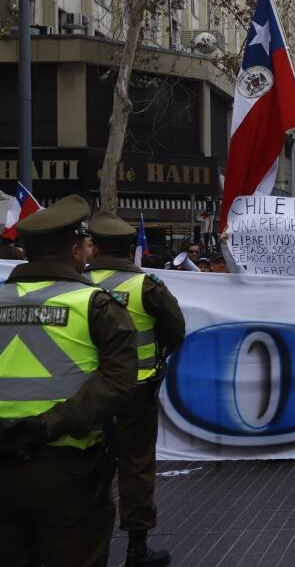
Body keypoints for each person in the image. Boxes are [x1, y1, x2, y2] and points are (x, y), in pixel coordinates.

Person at [0, 195, 138, 567]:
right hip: (68, 468)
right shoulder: (97, 306)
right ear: (77, 250)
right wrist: (46, 426)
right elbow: (119, 383)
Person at [85, 212, 186, 567]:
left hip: (87, 395)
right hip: (136, 392)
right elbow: (175, 331)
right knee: (136, 467)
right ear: (131, 249)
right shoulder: (147, 287)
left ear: (93, 247)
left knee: (83, 464)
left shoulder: (78, 285)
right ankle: (136, 549)